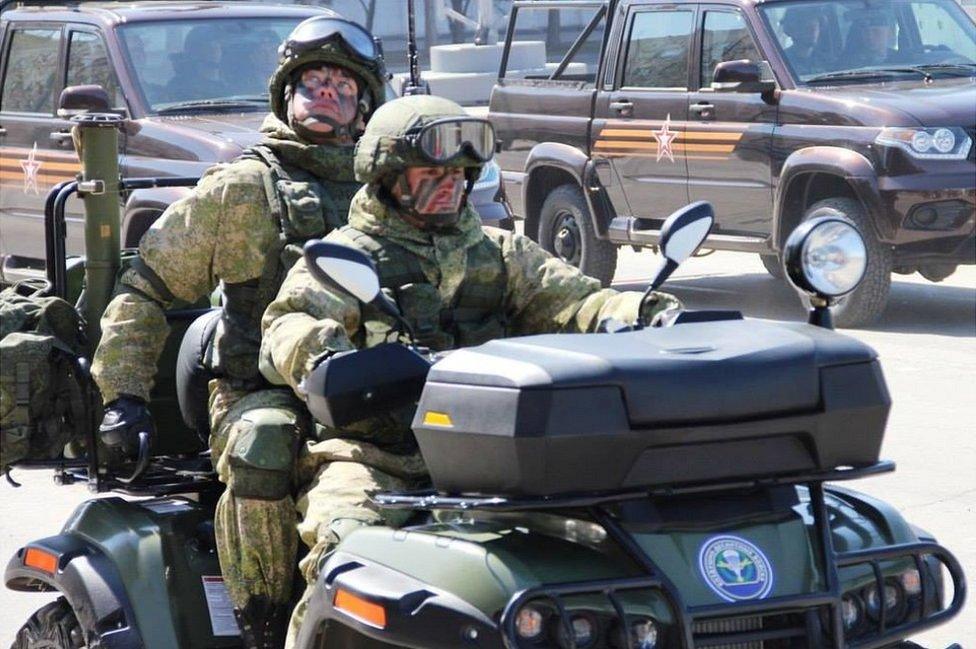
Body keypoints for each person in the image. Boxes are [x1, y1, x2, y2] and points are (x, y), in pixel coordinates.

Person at [258, 94, 683, 644]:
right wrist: (327, 360)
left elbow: (578, 301)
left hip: (500, 453)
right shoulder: (347, 258)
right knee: (347, 556)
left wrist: (643, 314)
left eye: (461, 172)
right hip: (379, 460)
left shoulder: (501, 251)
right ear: (388, 176)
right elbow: (289, 326)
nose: (451, 183)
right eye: (431, 171)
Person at [90, 16, 388, 648]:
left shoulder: (395, 186)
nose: (327, 95)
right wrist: (123, 398)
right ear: (286, 94)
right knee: (264, 444)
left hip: (380, 382)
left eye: (342, 85)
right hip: (261, 387)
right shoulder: (242, 187)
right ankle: (266, 620)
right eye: (313, 83)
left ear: (366, 104)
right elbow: (148, 288)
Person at [781, 5, 827, 76]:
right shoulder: (781, 62)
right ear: (793, 30)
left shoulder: (826, 60)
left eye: (815, 27)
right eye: (807, 28)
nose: (813, 32)